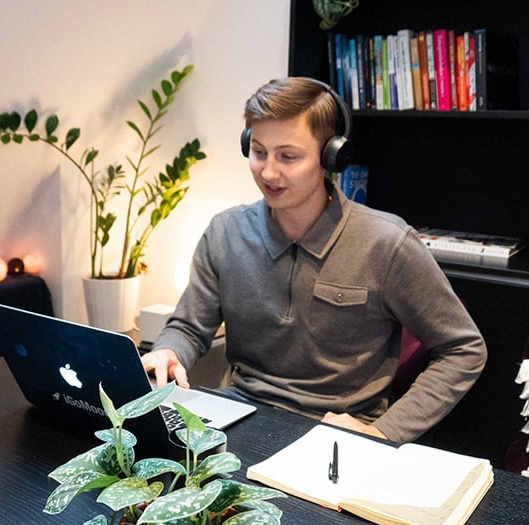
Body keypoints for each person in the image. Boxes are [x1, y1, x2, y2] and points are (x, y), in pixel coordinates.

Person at [141, 77, 487, 443]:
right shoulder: (225, 231)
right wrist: (167, 351)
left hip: (336, 434)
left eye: (288, 156)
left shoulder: (387, 243)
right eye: (259, 152)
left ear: (331, 156)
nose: (269, 172)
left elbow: (463, 349)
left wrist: (383, 433)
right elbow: (190, 328)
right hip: (237, 417)